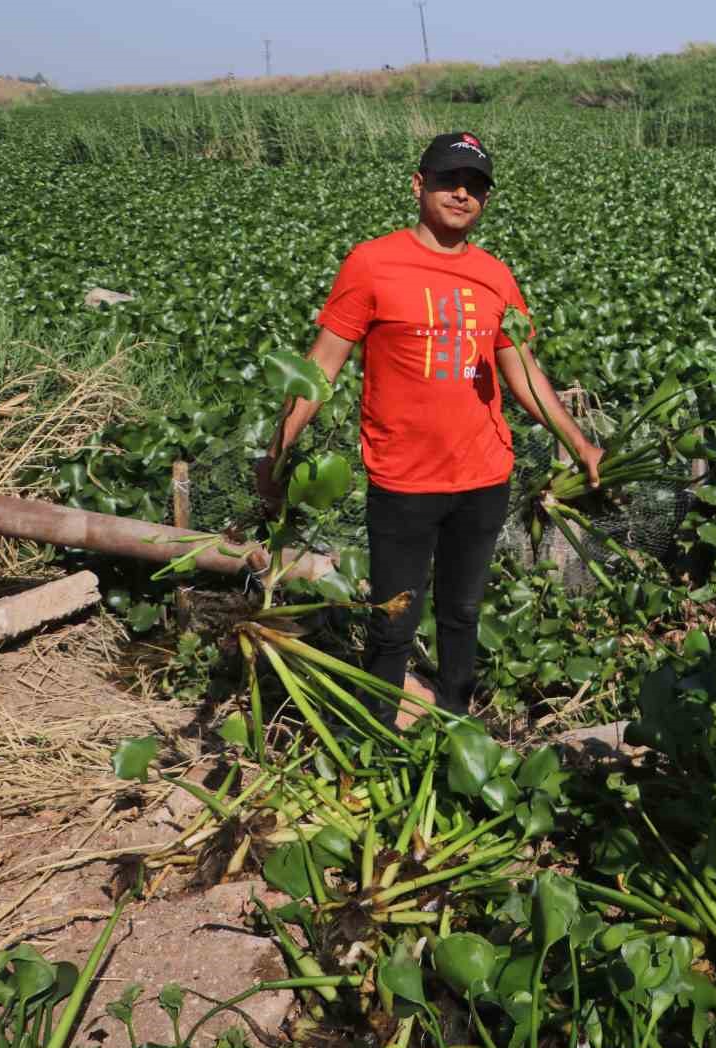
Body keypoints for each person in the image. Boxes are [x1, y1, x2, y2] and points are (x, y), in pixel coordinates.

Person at [257, 131, 602, 716]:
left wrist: (580, 444)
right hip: (403, 480)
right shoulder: (371, 263)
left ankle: (454, 718)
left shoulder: (497, 275)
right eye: (448, 180)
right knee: (395, 621)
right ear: (419, 185)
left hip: (484, 476)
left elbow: (521, 371)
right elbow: (321, 365)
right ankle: (374, 737)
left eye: (475, 186)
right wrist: (276, 454)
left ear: (485, 201)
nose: (461, 193)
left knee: (463, 613)